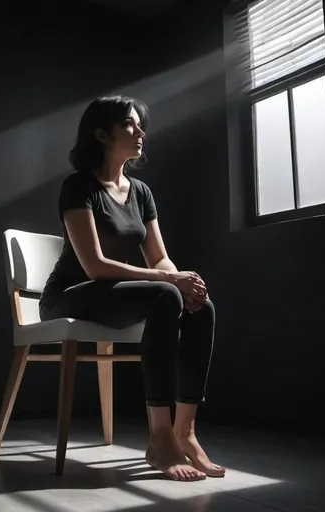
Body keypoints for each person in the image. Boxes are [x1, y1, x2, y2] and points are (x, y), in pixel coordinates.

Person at [39, 95, 225, 482]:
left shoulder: (140, 191)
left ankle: (185, 433)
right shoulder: (78, 187)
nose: (140, 131)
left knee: (200, 305)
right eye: (129, 124)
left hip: (112, 295)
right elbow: (95, 266)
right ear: (102, 133)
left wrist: (183, 281)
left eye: (140, 124)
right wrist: (170, 280)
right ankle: (159, 439)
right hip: (69, 295)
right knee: (164, 293)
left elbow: (159, 258)